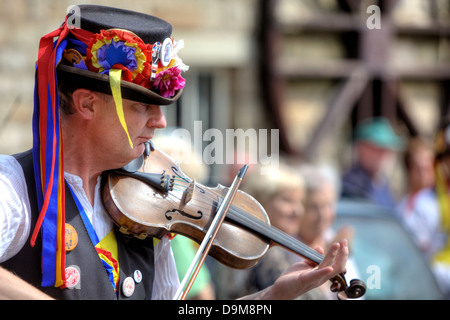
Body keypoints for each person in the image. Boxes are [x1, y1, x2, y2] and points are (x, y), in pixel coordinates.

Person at [0, 5, 349, 300]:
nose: (161, 121)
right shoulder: (14, 188)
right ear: (87, 103)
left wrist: (275, 296)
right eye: (142, 106)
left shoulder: (145, 210)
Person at [215, 162, 305, 299]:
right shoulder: (266, 254)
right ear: (261, 201)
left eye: (300, 202)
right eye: (288, 201)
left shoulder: (242, 242)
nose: (298, 211)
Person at [297, 164, 359, 299]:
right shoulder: (285, 245)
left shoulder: (335, 240)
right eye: (314, 207)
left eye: (328, 205)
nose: (323, 215)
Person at [341, 117, 403, 209]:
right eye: (379, 148)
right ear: (361, 149)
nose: (385, 154)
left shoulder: (384, 184)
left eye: (389, 148)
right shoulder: (351, 187)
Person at [396, 136, 435, 221]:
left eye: (427, 168)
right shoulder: (401, 207)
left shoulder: (443, 203)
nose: (422, 174)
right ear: (408, 170)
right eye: (417, 168)